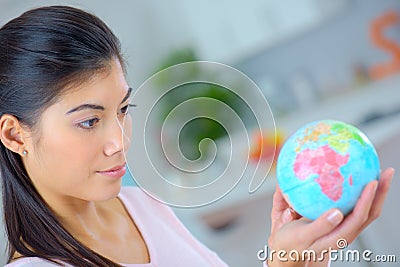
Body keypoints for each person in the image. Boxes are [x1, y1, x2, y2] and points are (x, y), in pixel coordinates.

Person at [0, 5, 394, 267]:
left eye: (123, 110)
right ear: (15, 135)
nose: (119, 141)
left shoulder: (142, 204)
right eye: (89, 121)